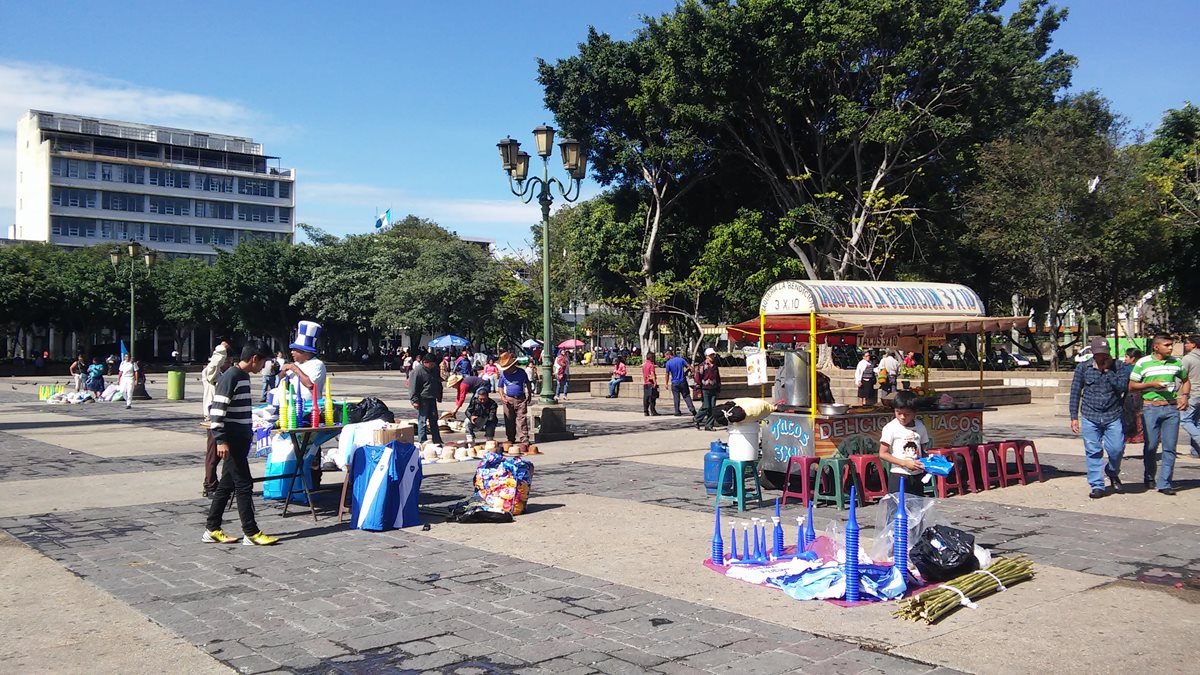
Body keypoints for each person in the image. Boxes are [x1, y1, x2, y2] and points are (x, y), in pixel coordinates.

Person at [202, 341, 279, 546]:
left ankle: (212, 528)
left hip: (240, 438)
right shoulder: (232, 376)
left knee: (226, 486)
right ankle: (251, 532)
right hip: (232, 440)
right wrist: (221, 440)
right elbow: (217, 410)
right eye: (263, 362)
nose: (264, 367)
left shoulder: (242, 376)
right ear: (254, 358)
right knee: (244, 485)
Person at [1128, 335, 1190, 495]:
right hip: (1151, 408)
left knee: (1170, 447)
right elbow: (1132, 386)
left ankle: (1165, 483)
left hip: (1171, 408)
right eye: (1167, 345)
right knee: (1151, 445)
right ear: (1156, 347)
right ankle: (1149, 476)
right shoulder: (1143, 363)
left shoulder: (1176, 362)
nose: (1170, 348)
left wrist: (1185, 396)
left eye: (1171, 345)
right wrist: (1151, 385)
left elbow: (1185, 379)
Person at [1068, 340, 1129, 499]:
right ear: (1093, 353)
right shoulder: (1083, 368)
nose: (1102, 356)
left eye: (1105, 352)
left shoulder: (1119, 366)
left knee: (1117, 448)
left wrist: (1108, 371)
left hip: (1112, 414)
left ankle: (1112, 472)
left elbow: (1123, 387)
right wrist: (1073, 416)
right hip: (1090, 414)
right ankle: (1097, 485)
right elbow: (1075, 391)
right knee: (1093, 451)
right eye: (1099, 353)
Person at [878, 390, 928, 495]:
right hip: (898, 475)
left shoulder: (920, 426)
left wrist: (929, 462)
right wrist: (905, 463)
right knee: (897, 508)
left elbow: (923, 450)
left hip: (917, 475)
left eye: (907, 414)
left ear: (915, 413)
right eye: (898, 413)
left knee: (916, 508)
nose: (902, 417)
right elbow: (883, 453)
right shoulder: (891, 428)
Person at [278, 321, 327, 408]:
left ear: (304, 352)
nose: (292, 352)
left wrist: (295, 369)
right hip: (294, 406)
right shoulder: (296, 364)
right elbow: (280, 379)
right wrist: (283, 371)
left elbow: (310, 385)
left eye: (295, 350)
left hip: (311, 407)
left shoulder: (317, 364)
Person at [497, 352, 532, 451]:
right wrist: (502, 396)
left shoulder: (521, 372)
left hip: (520, 398)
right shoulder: (503, 374)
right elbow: (500, 387)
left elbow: (527, 383)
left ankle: (524, 437)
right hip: (508, 399)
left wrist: (529, 394)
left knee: (521, 418)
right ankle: (510, 437)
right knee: (509, 419)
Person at [409, 352, 443, 444]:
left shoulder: (435, 369)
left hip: (432, 397)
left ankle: (437, 440)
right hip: (422, 398)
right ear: (425, 362)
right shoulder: (417, 371)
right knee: (422, 420)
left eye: (434, 364)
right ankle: (422, 440)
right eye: (431, 364)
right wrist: (414, 400)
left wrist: (439, 395)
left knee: (434, 419)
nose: (432, 366)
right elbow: (413, 386)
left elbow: (438, 381)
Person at [201, 338, 231, 425]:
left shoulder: (228, 373)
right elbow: (214, 365)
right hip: (212, 412)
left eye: (230, 362)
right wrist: (221, 349)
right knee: (213, 437)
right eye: (227, 361)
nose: (229, 364)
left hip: (225, 412)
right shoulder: (209, 372)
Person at [1179, 335, 1200, 459]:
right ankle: (1195, 451)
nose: (1185, 345)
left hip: (1192, 393)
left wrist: (1180, 394)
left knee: (1186, 420)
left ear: (1194, 344)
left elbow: (1181, 377)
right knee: (1197, 422)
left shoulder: (1187, 359)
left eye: (1187, 343)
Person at [663, 350, 697, 417]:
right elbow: (691, 368)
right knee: (686, 396)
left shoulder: (668, 363)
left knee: (676, 397)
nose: (665, 358)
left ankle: (677, 411)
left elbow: (667, 374)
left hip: (674, 383)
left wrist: (666, 383)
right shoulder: (681, 360)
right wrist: (691, 374)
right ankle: (692, 409)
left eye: (665, 356)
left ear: (669, 355)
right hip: (683, 381)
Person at [1122, 348, 1145, 444]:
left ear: (1133, 358)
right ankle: (1140, 435)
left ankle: (1130, 436)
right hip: (1141, 395)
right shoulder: (1143, 368)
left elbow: (1123, 384)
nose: (1125, 359)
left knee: (1129, 416)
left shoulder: (1127, 369)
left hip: (1130, 395)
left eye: (1127, 357)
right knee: (1139, 415)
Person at [695, 348, 722, 431]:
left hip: (713, 389)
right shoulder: (702, 366)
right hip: (704, 389)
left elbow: (718, 378)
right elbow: (697, 379)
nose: (712, 357)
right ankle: (697, 419)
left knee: (712, 408)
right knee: (706, 406)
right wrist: (698, 391)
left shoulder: (715, 366)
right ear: (706, 356)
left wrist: (718, 388)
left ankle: (709, 425)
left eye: (713, 355)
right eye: (710, 355)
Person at [642, 352, 660, 416]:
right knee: (652, 398)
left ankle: (645, 411)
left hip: (645, 383)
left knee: (646, 398)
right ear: (651, 358)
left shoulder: (644, 365)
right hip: (651, 383)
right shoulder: (651, 365)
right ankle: (653, 411)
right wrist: (655, 382)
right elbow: (652, 374)